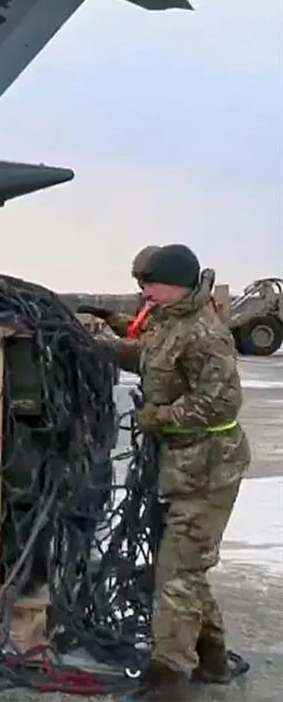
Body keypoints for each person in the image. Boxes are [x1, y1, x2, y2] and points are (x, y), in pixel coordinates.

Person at [97, 244, 249, 701]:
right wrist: (103, 344)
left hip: (209, 468)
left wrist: (155, 417)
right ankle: (212, 659)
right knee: (189, 568)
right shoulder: (169, 322)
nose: (143, 292)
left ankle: (169, 680)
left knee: (177, 573)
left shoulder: (205, 333)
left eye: (150, 284)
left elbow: (220, 403)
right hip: (183, 466)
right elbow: (148, 356)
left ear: (177, 282)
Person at [78, 245, 160, 338]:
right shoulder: (148, 304)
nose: (142, 286)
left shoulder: (172, 310)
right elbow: (135, 331)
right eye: (139, 280)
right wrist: (110, 316)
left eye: (147, 280)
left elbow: (147, 344)